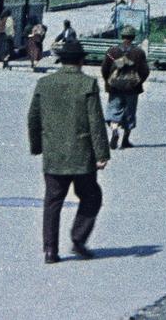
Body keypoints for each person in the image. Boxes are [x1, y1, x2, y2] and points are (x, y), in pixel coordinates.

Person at [27, 37, 111, 264]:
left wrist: (37, 146)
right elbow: (96, 121)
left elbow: (33, 117)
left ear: (61, 60)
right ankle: (78, 238)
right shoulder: (87, 84)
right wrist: (102, 154)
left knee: (52, 201)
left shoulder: (44, 83)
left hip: (53, 154)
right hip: (82, 155)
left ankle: (50, 251)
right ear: (82, 61)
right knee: (91, 196)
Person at [102, 25, 150, 149]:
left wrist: (109, 82)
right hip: (132, 88)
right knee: (130, 112)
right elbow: (145, 71)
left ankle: (114, 131)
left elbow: (104, 69)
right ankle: (125, 140)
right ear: (133, 37)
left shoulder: (112, 51)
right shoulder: (139, 52)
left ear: (122, 36)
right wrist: (138, 82)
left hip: (115, 88)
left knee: (113, 111)